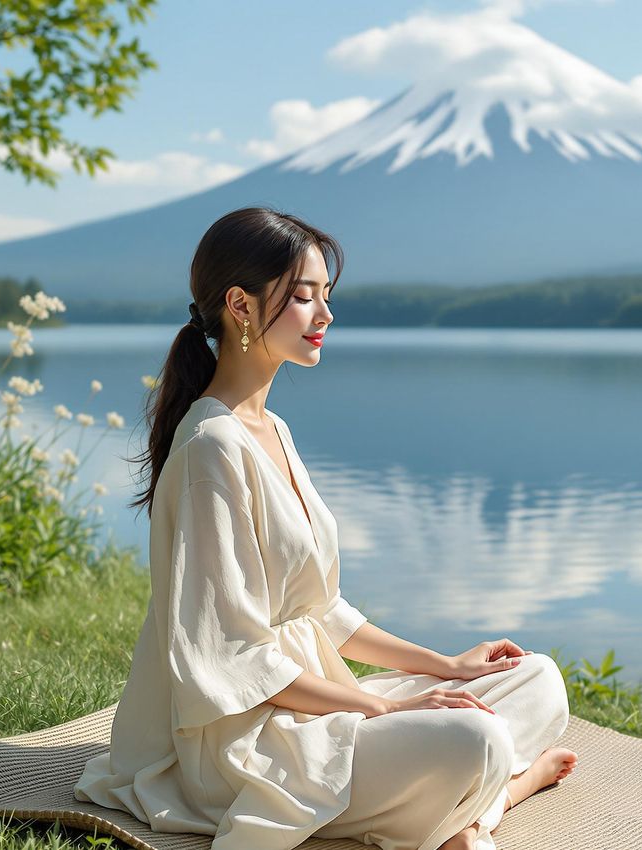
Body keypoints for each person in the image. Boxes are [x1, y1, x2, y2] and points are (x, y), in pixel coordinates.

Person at [73, 206, 577, 850]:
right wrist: (385, 709)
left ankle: (475, 806)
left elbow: (320, 612)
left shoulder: (271, 430)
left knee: (537, 679)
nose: (325, 315)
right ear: (241, 306)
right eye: (304, 296)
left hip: (315, 698)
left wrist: (444, 666)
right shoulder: (211, 448)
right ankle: (491, 797)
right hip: (239, 739)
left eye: (326, 296)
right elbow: (228, 659)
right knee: (472, 736)